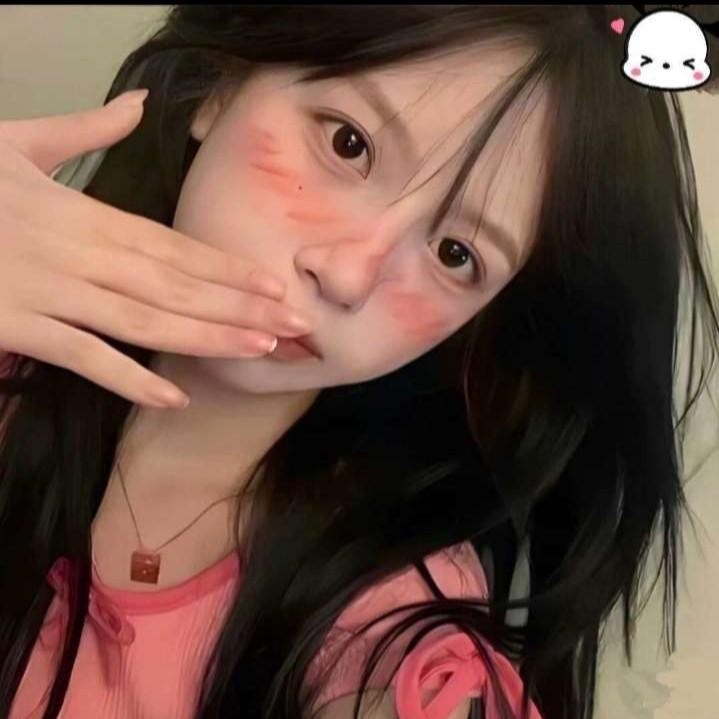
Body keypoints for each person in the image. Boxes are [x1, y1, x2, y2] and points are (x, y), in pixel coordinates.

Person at [0, 6, 717, 719]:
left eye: (455, 255)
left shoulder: (384, 641)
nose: (346, 276)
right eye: (349, 144)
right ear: (221, 84)